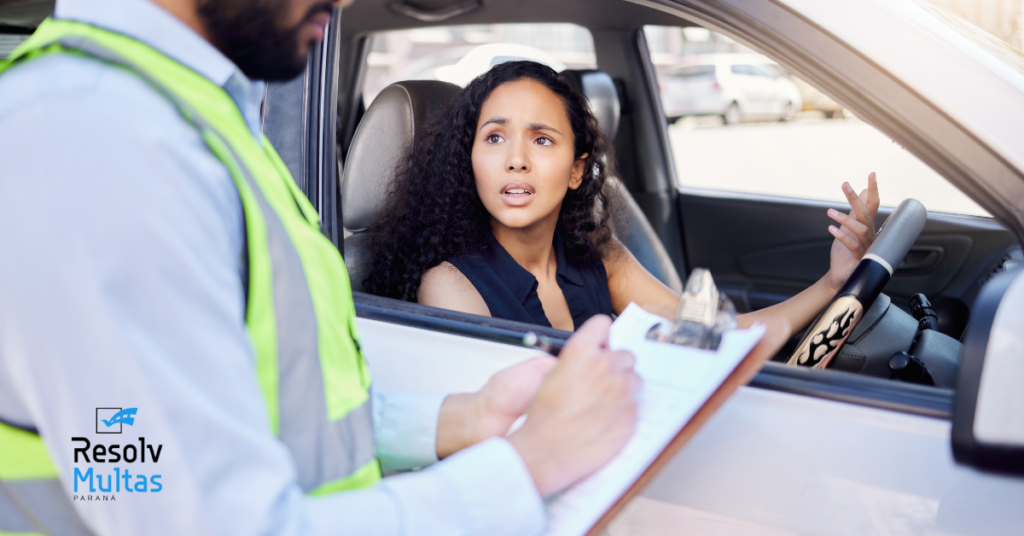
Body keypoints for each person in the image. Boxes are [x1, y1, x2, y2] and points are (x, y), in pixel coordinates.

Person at [0, 1, 644, 535]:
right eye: (497, 136)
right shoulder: (97, 140)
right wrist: (529, 465)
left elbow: (266, 414)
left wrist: (461, 417)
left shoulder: (190, 119)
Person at [365, 61, 880, 336]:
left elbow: (714, 333)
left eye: (542, 139)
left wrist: (834, 282)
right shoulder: (450, 286)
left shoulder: (598, 255)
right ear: (468, 160)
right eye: (494, 137)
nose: (515, 159)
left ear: (576, 171)